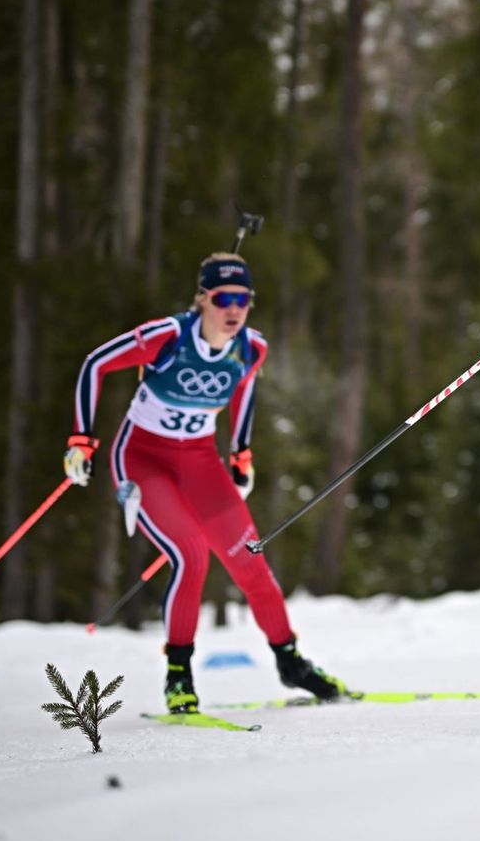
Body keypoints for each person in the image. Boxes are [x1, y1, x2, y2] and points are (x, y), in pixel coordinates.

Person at [64, 252, 349, 713]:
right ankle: (179, 674)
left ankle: (290, 661)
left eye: (243, 299)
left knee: (251, 564)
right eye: (222, 299)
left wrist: (241, 452)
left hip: (199, 461)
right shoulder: (167, 337)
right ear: (203, 299)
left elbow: (244, 390)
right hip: (142, 459)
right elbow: (95, 364)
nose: (233, 309)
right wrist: (81, 439)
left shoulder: (251, 347)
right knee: (190, 555)